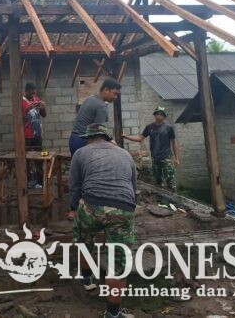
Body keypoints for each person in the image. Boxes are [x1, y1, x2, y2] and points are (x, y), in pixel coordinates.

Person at [68, 123, 136, 318]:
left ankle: (86, 278)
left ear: (88, 138)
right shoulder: (125, 154)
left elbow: (75, 185)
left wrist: (73, 209)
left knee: (84, 239)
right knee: (118, 262)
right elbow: (133, 186)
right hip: (123, 207)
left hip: (91, 205)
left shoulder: (81, 153)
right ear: (107, 137)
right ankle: (113, 313)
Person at [123, 106, 180, 190]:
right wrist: (126, 136)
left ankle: (173, 197)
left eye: (161, 114)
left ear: (164, 116)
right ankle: (161, 197)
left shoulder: (169, 128)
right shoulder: (149, 127)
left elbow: (174, 143)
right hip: (155, 158)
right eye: (157, 114)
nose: (159, 116)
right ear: (154, 115)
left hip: (166, 158)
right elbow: (140, 138)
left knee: (170, 181)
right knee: (158, 182)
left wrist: (176, 158)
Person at [69, 79, 121, 156]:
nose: (116, 97)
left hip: (73, 139)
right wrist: (111, 141)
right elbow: (99, 131)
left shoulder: (89, 99)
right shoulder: (101, 106)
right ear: (106, 90)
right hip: (84, 142)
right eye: (115, 93)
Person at [22, 82, 47, 187]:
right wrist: (28, 108)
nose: (33, 95)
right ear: (26, 91)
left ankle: (40, 182)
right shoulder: (21, 101)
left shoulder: (36, 99)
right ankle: (26, 183)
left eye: (34, 93)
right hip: (26, 135)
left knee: (39, 158)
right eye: (31, 93)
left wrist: (43, 107)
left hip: (37, 135)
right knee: (26, 159)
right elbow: (20, 118)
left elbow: (44, 115)